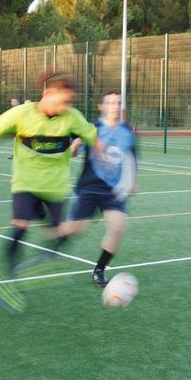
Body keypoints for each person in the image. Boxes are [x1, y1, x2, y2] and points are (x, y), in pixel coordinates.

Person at [0, 73, 100, 311]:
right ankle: (7, 278)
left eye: (70, 101)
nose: (67, 106)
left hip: (55, 187)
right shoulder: (21, 114)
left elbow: (94, 139)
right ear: (48, 94)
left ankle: (46, 261)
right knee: (20, 226)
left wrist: (109, 159)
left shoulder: (72, 117)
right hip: (25, 183)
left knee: (61, 235)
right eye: (63, 100)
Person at [57, 90, 137, 287]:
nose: (115, 106)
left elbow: (132, 157)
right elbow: (72, 153)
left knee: (118, 226)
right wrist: (75, 146)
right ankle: (51, 249)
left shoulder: (127, 131)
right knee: (74, 230)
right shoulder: (91, 128)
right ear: (101, 107)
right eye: (110, 103)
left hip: (114, 191)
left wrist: (133, 179)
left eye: (118, 103)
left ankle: (99, 269)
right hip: (90, 188)